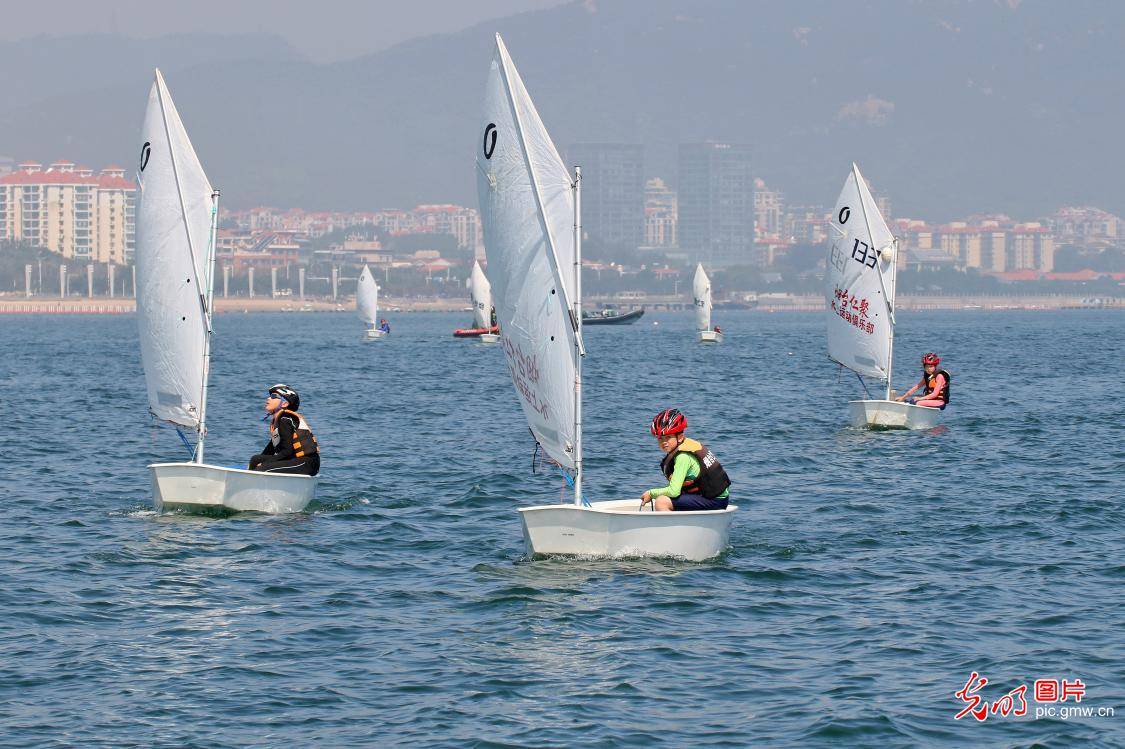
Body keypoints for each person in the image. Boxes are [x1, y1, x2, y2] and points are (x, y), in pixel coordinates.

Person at [641, 408, 731, 512]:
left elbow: (674, 491)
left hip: (715, 501)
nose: (664, 442)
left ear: (680, 437)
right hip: (711, 497)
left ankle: (672, 528)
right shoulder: (684, 447)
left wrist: (651, 493)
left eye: (668, 437)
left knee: (662, 502)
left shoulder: (683, 457)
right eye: (660, 438)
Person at [248, 384, 320, 475]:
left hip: (306, 463)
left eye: (274, 396)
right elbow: (269, 450)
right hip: (295, 461)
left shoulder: (285, 420)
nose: (268, 398)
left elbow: (287, 452)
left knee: (262, 469)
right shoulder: (278, 421)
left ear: (285, 403)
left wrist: (265, 463)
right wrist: (257, 462)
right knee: (256, 459)